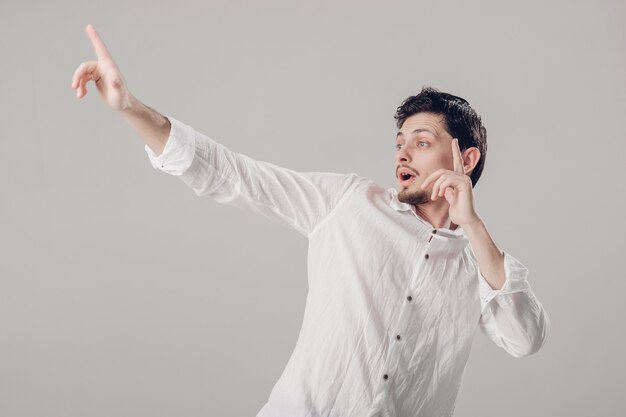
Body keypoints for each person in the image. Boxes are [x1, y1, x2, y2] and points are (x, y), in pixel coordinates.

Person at [72, 24, 550, 417]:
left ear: (465, 158)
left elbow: (525, 338)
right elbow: (229, 174)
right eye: (399, 142)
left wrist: (474, 227)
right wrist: (130, 108)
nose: (402, 151)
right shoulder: (348, 202)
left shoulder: (482, 268)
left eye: (421, 142)